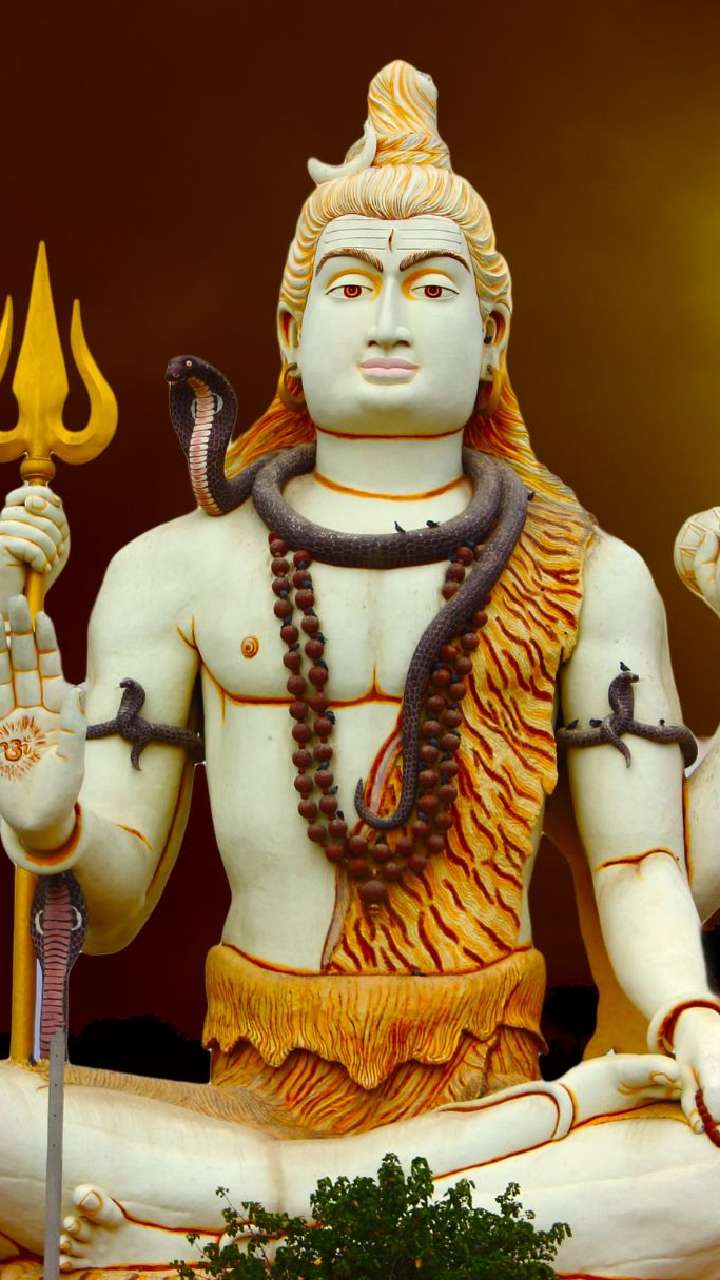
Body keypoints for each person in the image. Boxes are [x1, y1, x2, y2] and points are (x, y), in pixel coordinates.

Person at [1, 60, 720, 1279]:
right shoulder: (175, 570)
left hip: (494, 1086)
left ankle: (217, 1243)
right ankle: (367, 1221)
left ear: (493, 331)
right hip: (255, 1100)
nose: (388, 319)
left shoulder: (588, 576)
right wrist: (51, 820)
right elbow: (107, 909)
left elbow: (641, 864)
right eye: (351, 284)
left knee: (706, 1167)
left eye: (430, 285)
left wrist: (694, 1020)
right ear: (292, 329)